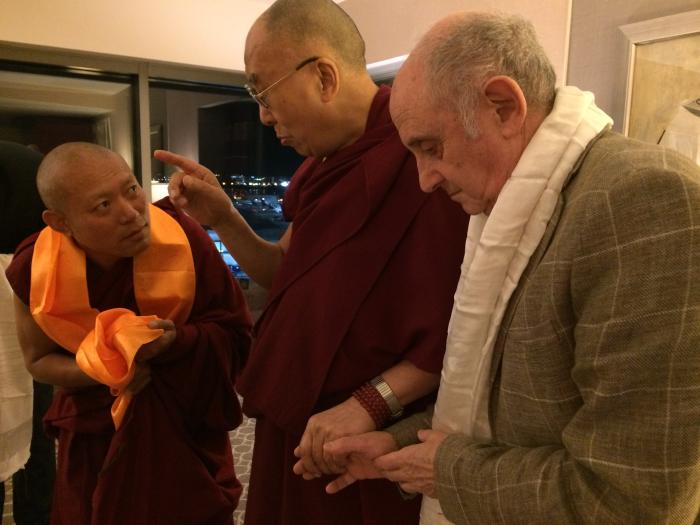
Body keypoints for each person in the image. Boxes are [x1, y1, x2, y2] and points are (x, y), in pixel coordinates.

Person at [321, 11, 700, 525]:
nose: (424, 180)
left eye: (431, 148)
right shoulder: (511, 207)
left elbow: (635, 498)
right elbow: (501, 401)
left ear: (503, 107)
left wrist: (448, 472)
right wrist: (394, 443)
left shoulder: (643, 198)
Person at [154, 0, 468, 523]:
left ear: (323, 76)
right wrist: (226, 218)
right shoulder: (322, 169)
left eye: (263, 91)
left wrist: (368, 405)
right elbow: (283, 272)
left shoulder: (421, 160)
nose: (263, 115)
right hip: (298, 416)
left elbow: (456, 331)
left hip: (363, 435)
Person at [5, 142, 252, 525]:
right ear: (60, 222)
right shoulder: (35, 267)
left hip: (181, 429)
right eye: (103, 206)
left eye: (131, 189)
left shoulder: (182, 238)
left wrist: (178, 342)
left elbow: (236, 336)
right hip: (94, 437)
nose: (132, 214)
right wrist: (107, 370)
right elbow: (38, 362)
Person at [0, 140, 54, 524]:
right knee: (37, 433)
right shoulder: (30, 162)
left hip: (26, 276)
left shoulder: (22, 164)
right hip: (33, 275)